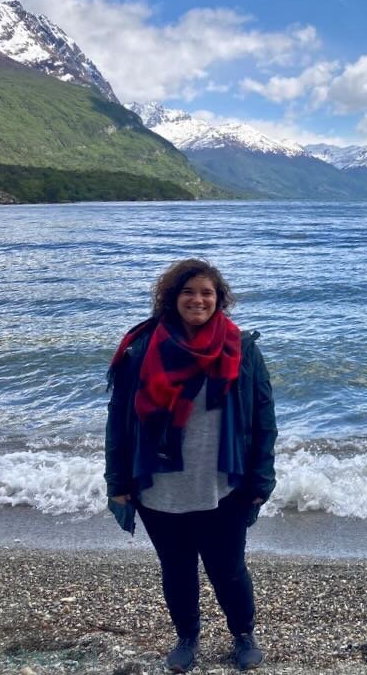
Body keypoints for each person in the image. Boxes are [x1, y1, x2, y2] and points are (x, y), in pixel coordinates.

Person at [104, 258, 277, 673]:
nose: (197, 300)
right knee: (177, 569)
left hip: (223, 484)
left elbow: (263, 416)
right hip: (158, 485)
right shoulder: (142, 348)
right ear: (172, 296)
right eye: (188, 292)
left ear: (219, 300)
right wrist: (118, 480)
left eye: (206, 292)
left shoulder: (241, 347)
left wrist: (261, 477)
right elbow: (119, 417)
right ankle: (186, 635)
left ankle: (243, 633)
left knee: (229, 569)